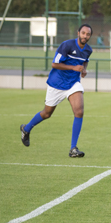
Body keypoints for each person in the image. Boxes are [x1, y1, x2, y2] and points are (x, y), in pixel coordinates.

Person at [20, 24, 93, 157]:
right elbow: (54, 64)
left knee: (79, 111)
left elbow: (85, 61)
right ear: (78, 33)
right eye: (83, 33)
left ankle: (73, 149)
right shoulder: (67, 45)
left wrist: (83, 69)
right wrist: (73, 68)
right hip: (56, 83)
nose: (85, 36)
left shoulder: (88, 50)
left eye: (88, 34)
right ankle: (26, 128)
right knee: (47, 113)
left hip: (73, 84)